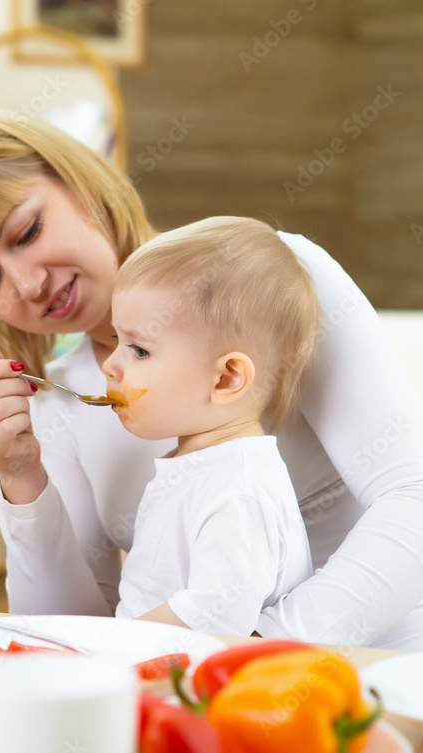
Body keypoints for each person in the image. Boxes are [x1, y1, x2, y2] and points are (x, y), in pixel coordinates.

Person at [0, 107, 423, 650]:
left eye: (26, 231)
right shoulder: (61, 406)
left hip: (390, 677)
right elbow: (75, 635)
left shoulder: (276, 283)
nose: (27, 282)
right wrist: (19, 478)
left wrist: (251, 656)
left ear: (79, 180)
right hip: (205, 710)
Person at [106, 217, 318, 635]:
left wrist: (110, 645)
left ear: (226, 379)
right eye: (117, 342)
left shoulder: (240, 490)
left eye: (138, 350)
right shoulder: (200, 465)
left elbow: (216, 616)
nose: (110, 365)